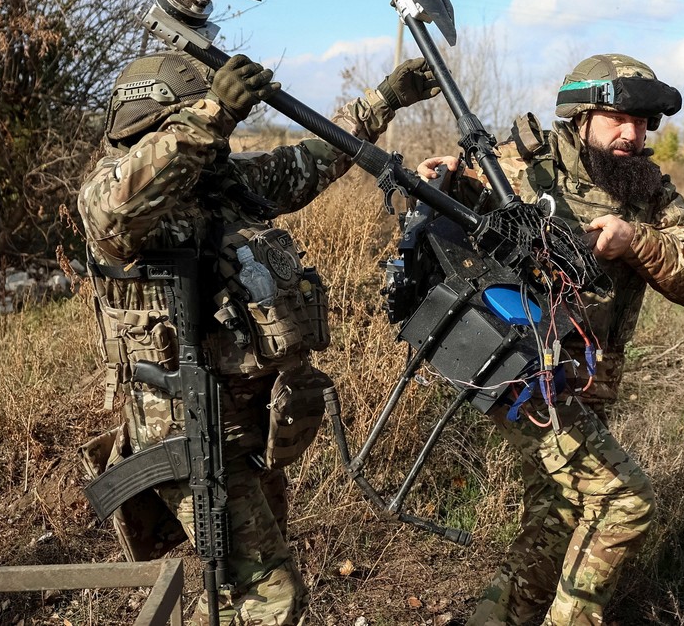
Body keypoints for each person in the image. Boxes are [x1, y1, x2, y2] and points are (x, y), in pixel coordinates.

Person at [77, 50, 439, 625]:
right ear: (157, 120)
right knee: (272, 596)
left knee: (234, 594)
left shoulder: (219, 185)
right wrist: (214, 112)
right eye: (194, 113)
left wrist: (385, 99)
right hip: (185, 431)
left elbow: (312, 158)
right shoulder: (114, 193)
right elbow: (115, 213)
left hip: (248, 423)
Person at [417, 54, 684, 626]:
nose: (632, 135)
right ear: (581, 117)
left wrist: (637, 241)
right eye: (617, 119)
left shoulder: (649, 191)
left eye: (642, 122)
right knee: (623, 499)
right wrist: (446, 182)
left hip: (592, 377)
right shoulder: (520, 167)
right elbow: (444, 229)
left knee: (556, 514)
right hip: (523, 371)